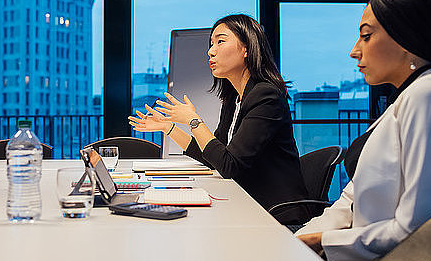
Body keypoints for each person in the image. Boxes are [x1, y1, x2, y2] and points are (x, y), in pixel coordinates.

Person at [296, 0, 431, 261]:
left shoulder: (430, 95)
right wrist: (302, 238)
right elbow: (352, 197)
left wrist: (322, 241)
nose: (355, 50)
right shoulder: (410, 94)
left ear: (407, 37)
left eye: (366, 36)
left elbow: (423, 228)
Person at [129, 14, 308, 222]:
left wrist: (193, 121)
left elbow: (229, 165)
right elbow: (213, 157)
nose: (210, 51)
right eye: (211, 43)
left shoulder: (266, 95)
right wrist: (169, 128)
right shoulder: (233, 99)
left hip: (276, 216)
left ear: (247, 48)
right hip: (249, 205)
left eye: (220, 42)